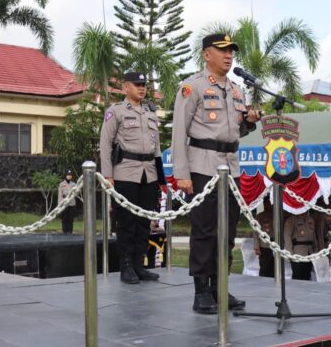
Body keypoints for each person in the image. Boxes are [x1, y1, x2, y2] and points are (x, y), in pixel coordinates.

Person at [172, 33, 261, 314]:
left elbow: (238, 131)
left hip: (230, 165)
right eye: (222, 50)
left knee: (227, 230)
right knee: (205, 229)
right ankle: (201, 290)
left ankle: (218, 286)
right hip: (202, 165)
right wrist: (181, 173)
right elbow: (178, 132)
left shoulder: (237, 90)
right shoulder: (192, 87)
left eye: (231, 51)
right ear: (206, 54)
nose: (228, 55)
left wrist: (248, 122)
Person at [100, 72, 165, 285]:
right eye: (137, 84)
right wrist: (108, 174)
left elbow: (156, 149)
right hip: (125, 172)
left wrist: (161, 178)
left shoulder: (150, 113)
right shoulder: (115, 111)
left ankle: (139, 264)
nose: (141, 88)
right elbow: (105, 144)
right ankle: (126, 266)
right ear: (125, 87)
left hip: (149, 173)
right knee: (126, 221)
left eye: (143, 84)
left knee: (144, 221)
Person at [284, 211, 319, 280]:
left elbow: (313, 236)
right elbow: (287, 237)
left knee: (307, 275)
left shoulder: (310, 219)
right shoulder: (291, 220)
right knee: (298, 275)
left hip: (309, 252)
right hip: (298, 252)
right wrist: (290, 253)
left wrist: (316, 249)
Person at [253, 197, 275, 278]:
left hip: (275, 245)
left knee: (274, 267)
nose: (268, 205)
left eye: (269, 203)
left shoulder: (276, 215)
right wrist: (257, 247)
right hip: (264, 246)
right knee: (265, 267)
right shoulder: (260, 216)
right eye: (266, 203)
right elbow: (256, 233)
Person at [58, 170, 77, 234]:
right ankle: (64, 231)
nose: (69, 176)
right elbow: (60, 195)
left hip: (72, 203)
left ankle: (70, 231)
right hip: (64, 203)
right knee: (64, 218)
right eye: (68, 175)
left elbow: (76, 193)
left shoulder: (74, 184)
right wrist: (60, 204)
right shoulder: (61, 184)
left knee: (71, 218)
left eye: (70, 175)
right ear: (66, 176)